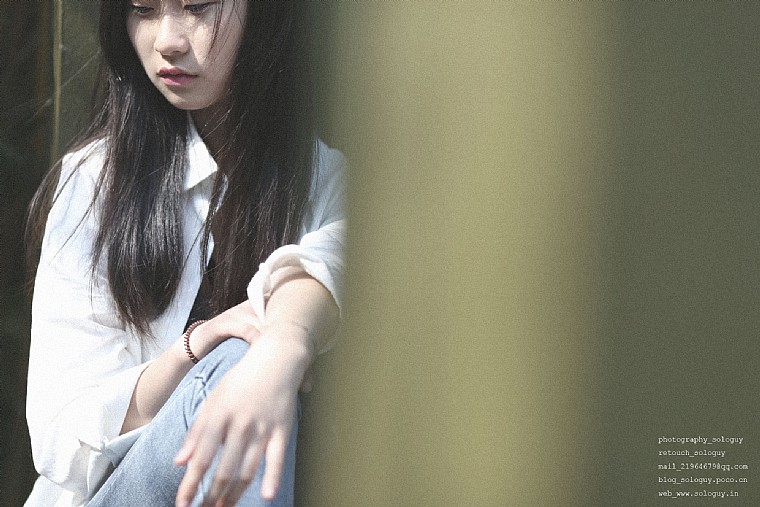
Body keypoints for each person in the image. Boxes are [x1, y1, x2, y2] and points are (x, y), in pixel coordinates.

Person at [24, 1, 345, 506]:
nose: (167, 40)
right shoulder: (92, 183)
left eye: (196, 7)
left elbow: (326, 264)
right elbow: (59, 438)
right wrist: (195, 349)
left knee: (248, 357)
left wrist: (281, 347)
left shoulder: (328, 181)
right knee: (235, 358)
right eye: (143, 9)